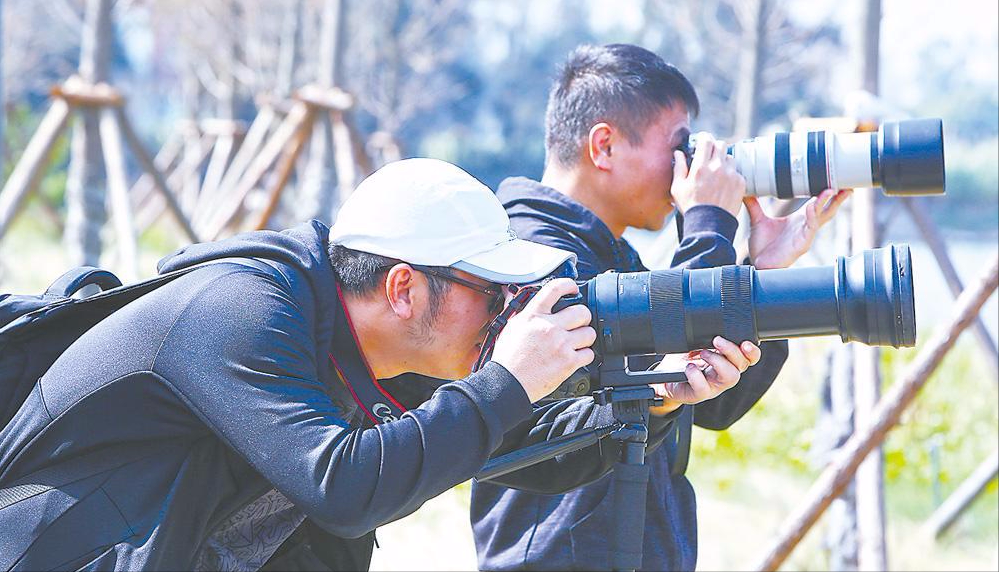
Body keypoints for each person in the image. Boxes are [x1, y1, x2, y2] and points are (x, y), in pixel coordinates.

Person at [0, 157, 760, 571]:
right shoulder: (241, 313)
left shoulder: (374, 345)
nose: (510, 307)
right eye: (493, 289)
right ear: (404, 286)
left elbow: (507, 450)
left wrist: (646, 401)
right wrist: (506, 381)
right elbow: (345, 484)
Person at [470, 44, 851, 571]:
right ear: (603, 146)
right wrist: (706, 224)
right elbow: (658, 367)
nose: (686, 169)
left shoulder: (610, 255)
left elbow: (709, 400)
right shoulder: (529, 261)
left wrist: (762, 275)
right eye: (678, 147)